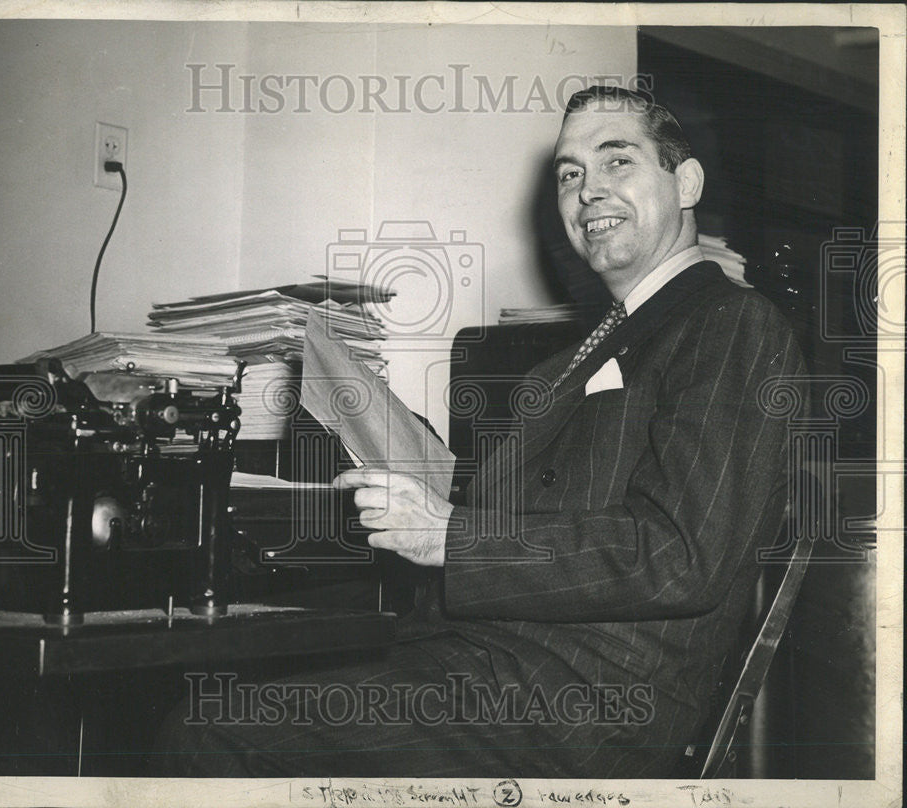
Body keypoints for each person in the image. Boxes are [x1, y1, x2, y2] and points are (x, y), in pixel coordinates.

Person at [153, 85, 806, 778]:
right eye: (570, 174)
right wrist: (421, 494)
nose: (588, 192)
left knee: (209, 731)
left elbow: (680, 556)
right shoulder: (567, 362)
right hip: (492, 663)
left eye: (618, 162)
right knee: (214, 687)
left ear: (687, 182)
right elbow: (540, 521)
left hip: (589, 704)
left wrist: (448, 533)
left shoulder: (731, 324)